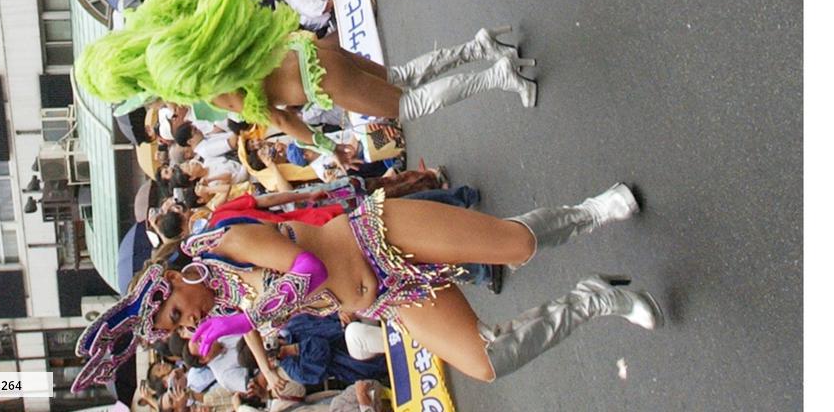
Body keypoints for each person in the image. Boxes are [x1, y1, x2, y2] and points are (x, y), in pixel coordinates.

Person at [70, 181, 662, 392]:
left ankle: (596, 210)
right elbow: (260, 310)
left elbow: (308, 272)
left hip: (378, 237)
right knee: (485, 362)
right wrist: (246, 334)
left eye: (175, 313)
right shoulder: (222, 301)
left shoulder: (215, 243)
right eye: (178, 328)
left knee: (515, 245)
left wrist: (245, 323)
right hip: (387, 297)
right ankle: (597, 298)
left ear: (172, 279)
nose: (188, 325)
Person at [73, 0, 538, 165]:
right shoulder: (175, 36)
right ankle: (479, 45)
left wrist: (325, 147)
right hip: (307, 49)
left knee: (408, 104)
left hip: (316, 82)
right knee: (401, 78)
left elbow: (275, 117)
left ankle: (498, 73)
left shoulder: (187, 79)